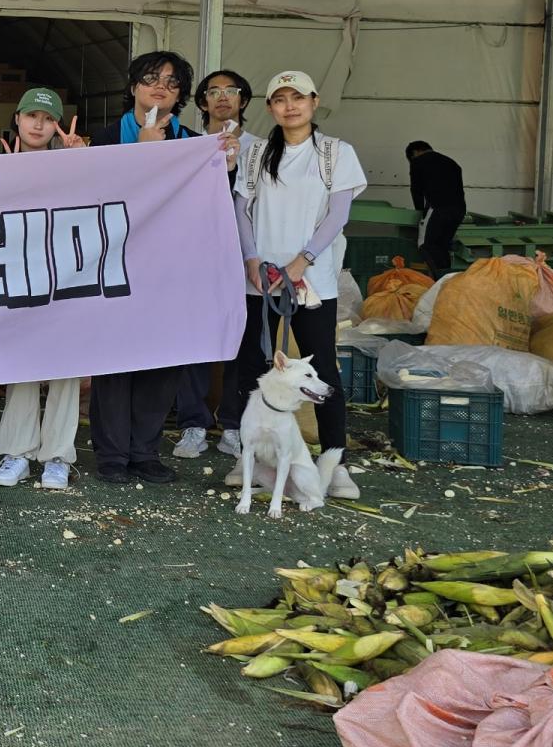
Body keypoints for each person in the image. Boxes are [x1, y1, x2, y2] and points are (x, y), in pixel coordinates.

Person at [229, 69, 368, 500]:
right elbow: (241, 208)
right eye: (280, 99)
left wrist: (302, 260)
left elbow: (338, 214)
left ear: (314, 101)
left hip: (312, 280)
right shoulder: (256, 154)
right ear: (270, 107)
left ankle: (336, 461)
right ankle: (248, 457)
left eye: (298, 97)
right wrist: (252, 259)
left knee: (321, 367)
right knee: (252, 367)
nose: (290, 106)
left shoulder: (335, 153)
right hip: (261, 279)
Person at [90, 51, 198, 486]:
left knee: (162, 359)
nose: (160, 88)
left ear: (180, 95)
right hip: (114, 263)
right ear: (134, 86)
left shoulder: (193, 144)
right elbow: (90, 197)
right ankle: (112, 454)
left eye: (172, 83)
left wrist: (225, 167)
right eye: (152, 78)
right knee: (114, 359)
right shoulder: (104, 138)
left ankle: (145, 451)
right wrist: (141, 153)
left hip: (171, 268)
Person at [0, 89, 88, 491]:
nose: (39, 125)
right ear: (18, 119)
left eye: (48, 118)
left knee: (65, 366)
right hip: (17, 276)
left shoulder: (75, 163)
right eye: (32, 116)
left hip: (66, 276)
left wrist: (82, 162)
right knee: (21, 363)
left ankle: (58, 456)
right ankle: (17, 452)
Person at [190, 69, 257, 460]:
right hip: (196, 255)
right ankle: (193, 423)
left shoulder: (261, 148)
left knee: (241, 340)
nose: (222, 97)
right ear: (203, 102)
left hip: (243, 257)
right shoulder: (188, 146)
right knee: (195, 340)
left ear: (243, 100)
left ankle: (234, 424)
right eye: (213, 91)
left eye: (231, 91)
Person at [407, 140, 467, 279]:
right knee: (442, 246)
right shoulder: (452, 163)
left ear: (415, 152)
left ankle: (438, 280)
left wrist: (420, 212)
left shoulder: (418, 162)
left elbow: (416, 191)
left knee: (425, 245)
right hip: (458, 210)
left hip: (438, 209)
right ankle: (447, 279)